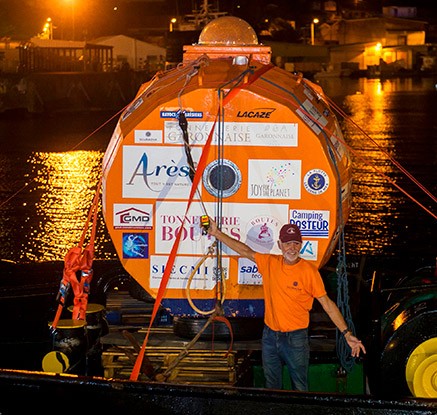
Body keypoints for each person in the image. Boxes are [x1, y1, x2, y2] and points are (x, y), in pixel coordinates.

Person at [207, 218, 366, 391]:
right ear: (280, 244)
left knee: (300, 387)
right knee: (272, 386)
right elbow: (245, 251)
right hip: (269, 336)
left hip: (296, 339)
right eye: (288, 243)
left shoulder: (309, 272)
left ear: (301, 245)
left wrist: (347, 334)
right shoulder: (269, 263)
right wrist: (216, 233)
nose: (292, 248)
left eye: (296, 243)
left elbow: (327, 304)